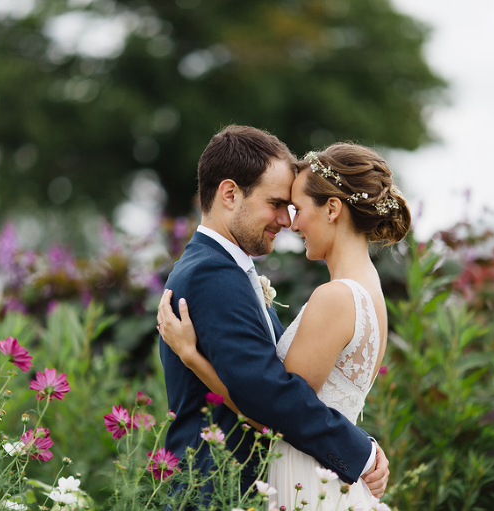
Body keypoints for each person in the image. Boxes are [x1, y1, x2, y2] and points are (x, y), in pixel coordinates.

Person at [158, 140, 410, 509]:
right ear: (229, 193)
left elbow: (281, 398)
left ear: (333, 209)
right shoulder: (212, 273)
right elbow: (272, 399)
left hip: (300, 481)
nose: (287, 221)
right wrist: (362, 449)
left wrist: (192, 355)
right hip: (218, 486)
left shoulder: (333, 294)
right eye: (276, 204)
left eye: (293, 207)